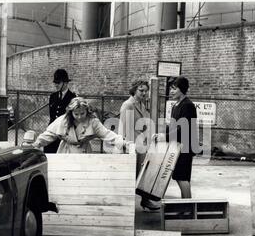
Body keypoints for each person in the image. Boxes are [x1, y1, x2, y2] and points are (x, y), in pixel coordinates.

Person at [153, 76, 198, 199]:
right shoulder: (176, 105)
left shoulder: (188, 105)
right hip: (177, 146)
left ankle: (187, 207)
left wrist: (165, 137)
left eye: (174, 88)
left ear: (182, 89)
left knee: (182, 177)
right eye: (170, 89)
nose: (171, 92)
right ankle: (185, 206)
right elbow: (172, 125)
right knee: (179, 177)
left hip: (186, 147)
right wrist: (161, 135)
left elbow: (184, 129)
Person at [33, 97, 129, 153]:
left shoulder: (93, 121)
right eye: (76, 114)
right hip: (66, 153)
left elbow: (107, 134)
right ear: (71, 112)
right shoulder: (63, 120)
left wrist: (122, 142)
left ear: (87, 111)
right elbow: (49, 134)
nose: (79, 117)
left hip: (84, 153)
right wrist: (36, 144)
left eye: (82, 113)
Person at [118, 79, 158, 211]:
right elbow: (124, 129)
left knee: (144, 173)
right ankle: (126, 206)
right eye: (141, 90)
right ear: (134, 90)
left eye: (146, 91)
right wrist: (129, 148)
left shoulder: (141, 104)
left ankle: (145, 201)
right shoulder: (128, 105)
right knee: (130, 176)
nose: (144, 93)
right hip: (132, 146)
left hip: (142, 144)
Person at [45, 69, 76, 153]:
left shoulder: (73, 98)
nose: (56, 85)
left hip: (65, 134)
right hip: (52, 131)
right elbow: (52, 116)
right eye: (55, 82)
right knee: (48, 154)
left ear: (65, 83)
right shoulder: (53, 96)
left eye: (58, 82)